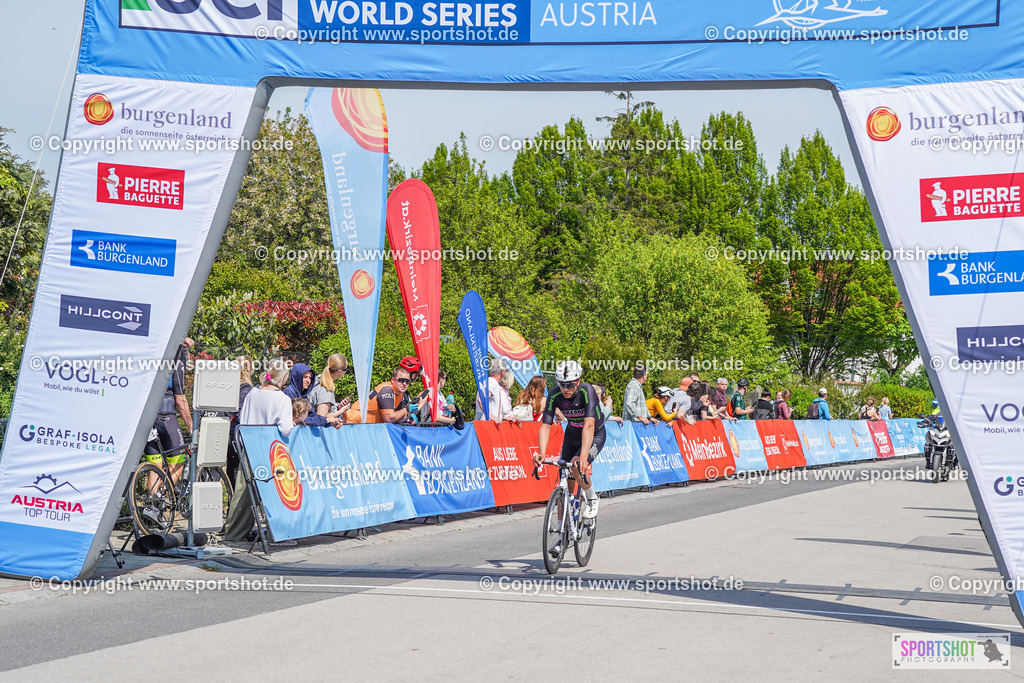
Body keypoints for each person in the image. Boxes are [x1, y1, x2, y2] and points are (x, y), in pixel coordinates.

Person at [223, 358, 294, 542]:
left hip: (249, 446)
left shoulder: (253, 392)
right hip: (271, 451)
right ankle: (277, 534)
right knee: (274, 494)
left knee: (243, 494)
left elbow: (243, 418)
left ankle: (234, 533)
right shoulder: (282, 398)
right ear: (284, 377)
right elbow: (286, 429)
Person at [535, 361, 605, 534]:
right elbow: (545, 426)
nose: (565, 389)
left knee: (575, 466)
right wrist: (542, 453)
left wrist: (583, 458)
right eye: (561, 384)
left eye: (570, 385)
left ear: (578, 381)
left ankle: (591, 497)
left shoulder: (587, 391)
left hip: (595, 434)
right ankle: (561, 532)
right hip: (573, 435)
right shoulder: (554, 395)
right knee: (564, 483)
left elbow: (589, 426)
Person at [144, 338, 194, 484]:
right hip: (166, 418)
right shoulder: (175, 364)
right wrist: (191, 427)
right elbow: (180, 400)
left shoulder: (147, 361)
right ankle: (164, 495)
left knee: (155, 465)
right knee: (178, 460)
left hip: (147, 419)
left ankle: (151, 504)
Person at [226, 355, 255, 486]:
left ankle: (231, 501)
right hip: (238, 434)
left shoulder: (229, 386)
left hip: (228, 431)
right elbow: (242, 414)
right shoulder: (246, 389)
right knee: (238, 472)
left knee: (231, 469)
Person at [308, 353, 350, 421]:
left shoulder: (317, 379)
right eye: (346, 369)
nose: (346, 372)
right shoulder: (326, 389)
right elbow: (321, 417)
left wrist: (338, 406)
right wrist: (341, 411)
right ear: (339, 372)